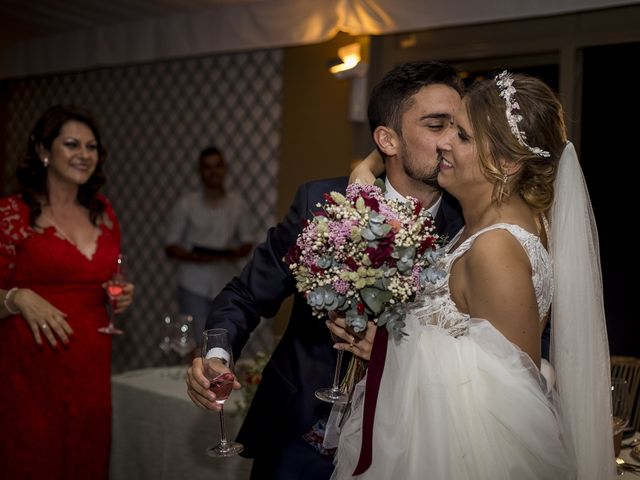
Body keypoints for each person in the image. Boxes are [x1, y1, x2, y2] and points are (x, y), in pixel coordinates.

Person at [185, 61, 465, 479]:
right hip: (300, 436)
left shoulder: (470, 226)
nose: (451, 143)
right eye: (436, 125)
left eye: (458, 128)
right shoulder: (321, 202)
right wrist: (216, 355)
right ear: (387, 139)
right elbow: (245, 295)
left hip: (413, 441)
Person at [330, 72, 615, 479]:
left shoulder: (495, 249)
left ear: (507, 162)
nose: (444, 142)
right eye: (445, 127)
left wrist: (388, 348)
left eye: (462, 135)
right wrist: (368, 169)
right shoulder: (480, 229)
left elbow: (508, 408)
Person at [0, 105, 135, 479]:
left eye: (91, 147)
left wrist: (121, 295)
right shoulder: (10, 214)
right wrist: (18, 297)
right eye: (72, 144)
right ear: (44, 151)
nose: (84, 155)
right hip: (30, 373)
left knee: (86, 460)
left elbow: (109, 277)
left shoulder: (103, 212)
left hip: (91, 366)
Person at [165, 146, 254, 343]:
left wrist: (228, 254)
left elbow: (247, 242)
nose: (213, 172)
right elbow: (171, 245)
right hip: (192, 283)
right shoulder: (186, 203)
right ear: (200, 171)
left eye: (218, 166)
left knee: (223, 337)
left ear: (225, 169)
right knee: (193, 341)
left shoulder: (238, 204)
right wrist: (195, 257)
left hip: (224, 280)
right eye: (207, 167)